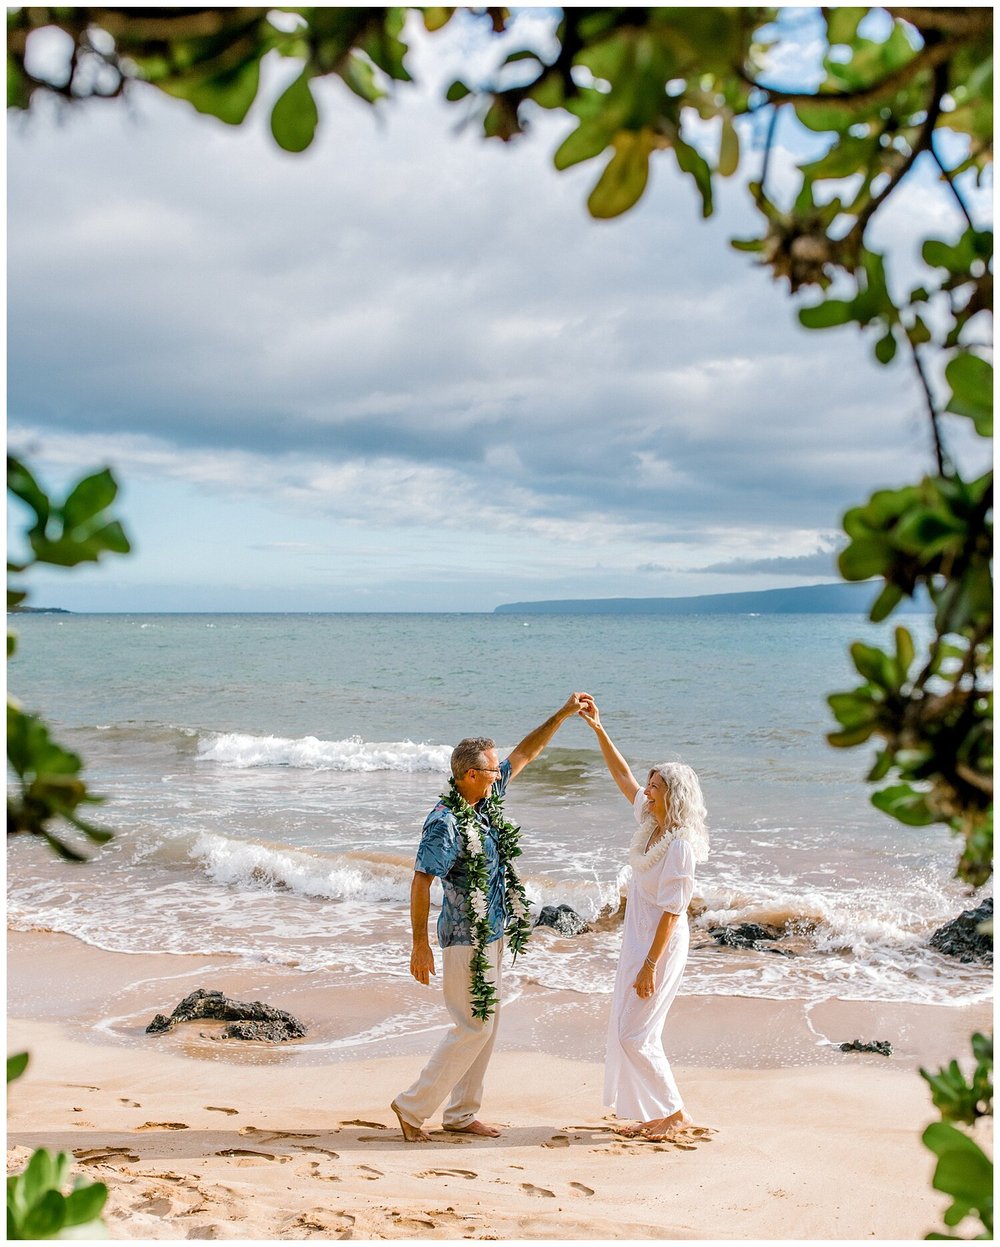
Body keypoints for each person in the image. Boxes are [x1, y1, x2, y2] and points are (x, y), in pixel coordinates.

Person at [391, 692, 591, 1143]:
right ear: (468, 775)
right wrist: (419, 944)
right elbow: (422, 880)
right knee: (473, 1025)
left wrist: (561, 714)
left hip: (494, 930)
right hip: (464, 936)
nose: (499, 773)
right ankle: (411, 1107)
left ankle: (461, 1113)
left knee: (488, 1024)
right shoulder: (446, 822)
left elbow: (526, 752)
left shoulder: (487, 799)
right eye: (490, 769)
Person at [579, 698, 709, 1140]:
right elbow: (622, 778)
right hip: (637, 939)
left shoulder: (679, 846)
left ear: (673, 795)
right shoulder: (650, 826)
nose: (647, 791)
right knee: (629, 1028)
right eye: (650, 785)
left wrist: (650, 965)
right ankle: (653, 1110)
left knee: (634, 1032)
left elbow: (674, 910)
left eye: (655, 787)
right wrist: (600, 730)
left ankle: (674, 1112)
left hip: (661, 945)